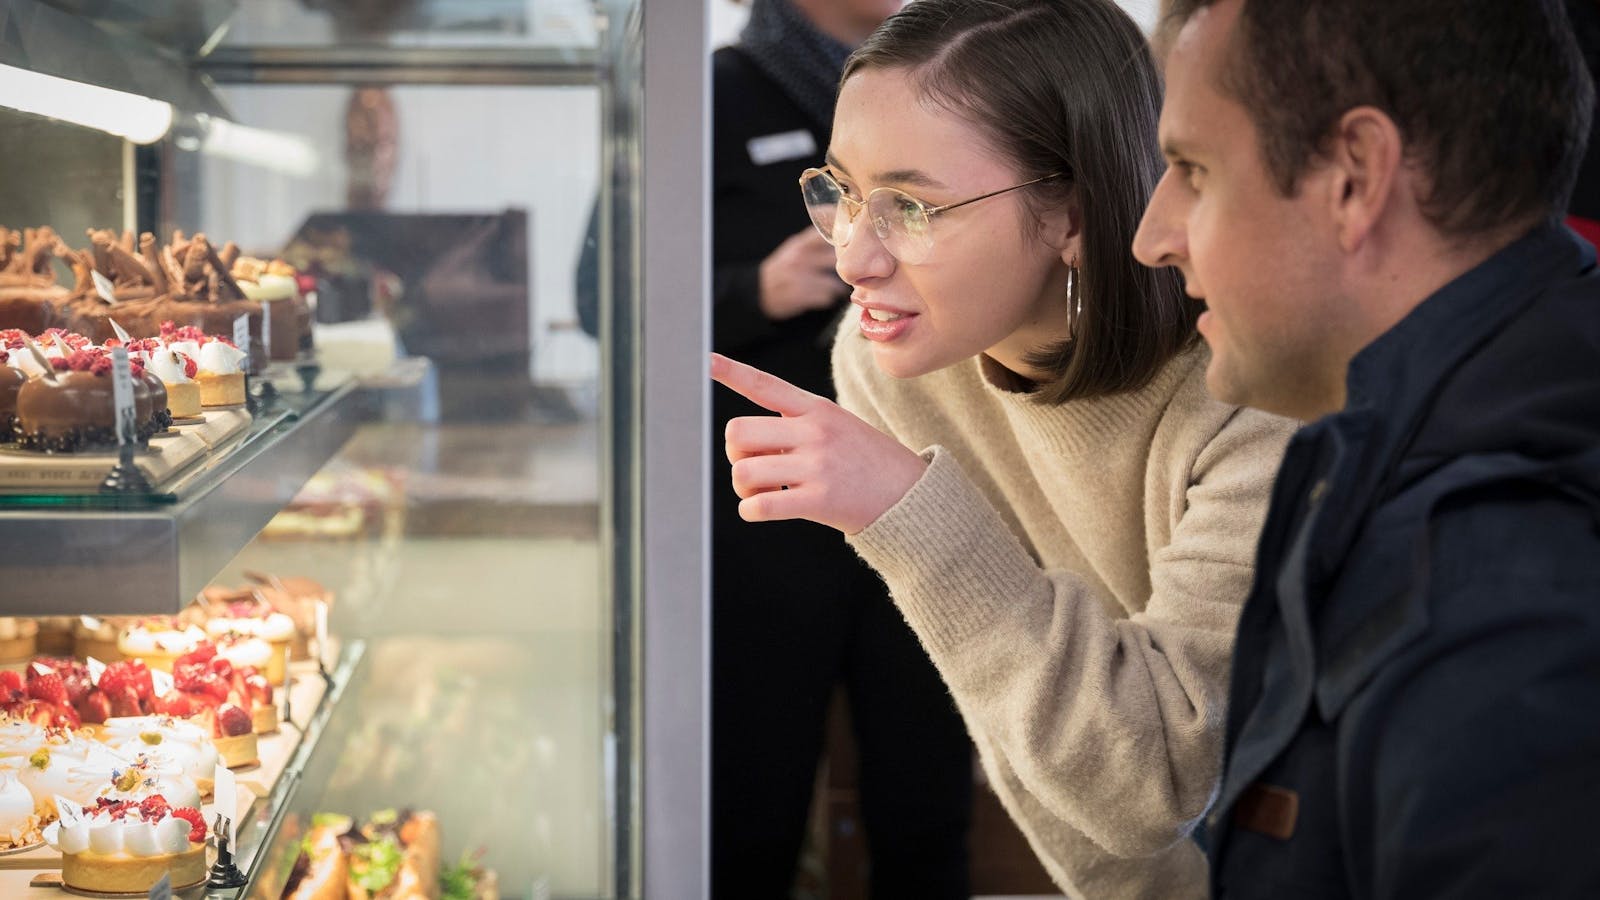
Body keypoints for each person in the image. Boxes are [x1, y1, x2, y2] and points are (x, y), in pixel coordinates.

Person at [710, 0, 1296, 895]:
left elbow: (1156, 782)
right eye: (840, 192)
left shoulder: (1250, 397)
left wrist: (914, 517)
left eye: (910, 206)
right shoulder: (883, 366)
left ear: (1073, 214)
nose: (853, 259)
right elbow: (1041, 755)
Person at [1135, 1, 1600, 896]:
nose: (1152, 238)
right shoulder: (1427, 447)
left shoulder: (1499, 586)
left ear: (1355, 176)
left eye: (1193, 170)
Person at [696, 0, 982, 896]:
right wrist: (754, 289)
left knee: (928, 794)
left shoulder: (942, 89)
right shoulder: (714, 94)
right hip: (768, 522)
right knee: (755, 799)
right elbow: (608, 293)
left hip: (925, 491)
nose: (861, 251)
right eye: (838, 198)